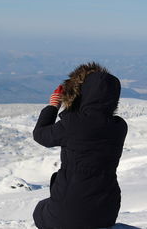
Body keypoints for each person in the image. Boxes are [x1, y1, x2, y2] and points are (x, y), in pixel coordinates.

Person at [32, 62, 128, 229]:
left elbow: (41, 135)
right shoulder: (119, 126)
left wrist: (53, 106)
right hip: (107, 211)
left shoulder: (73, 124)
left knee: (40, 210)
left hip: (69, 212)